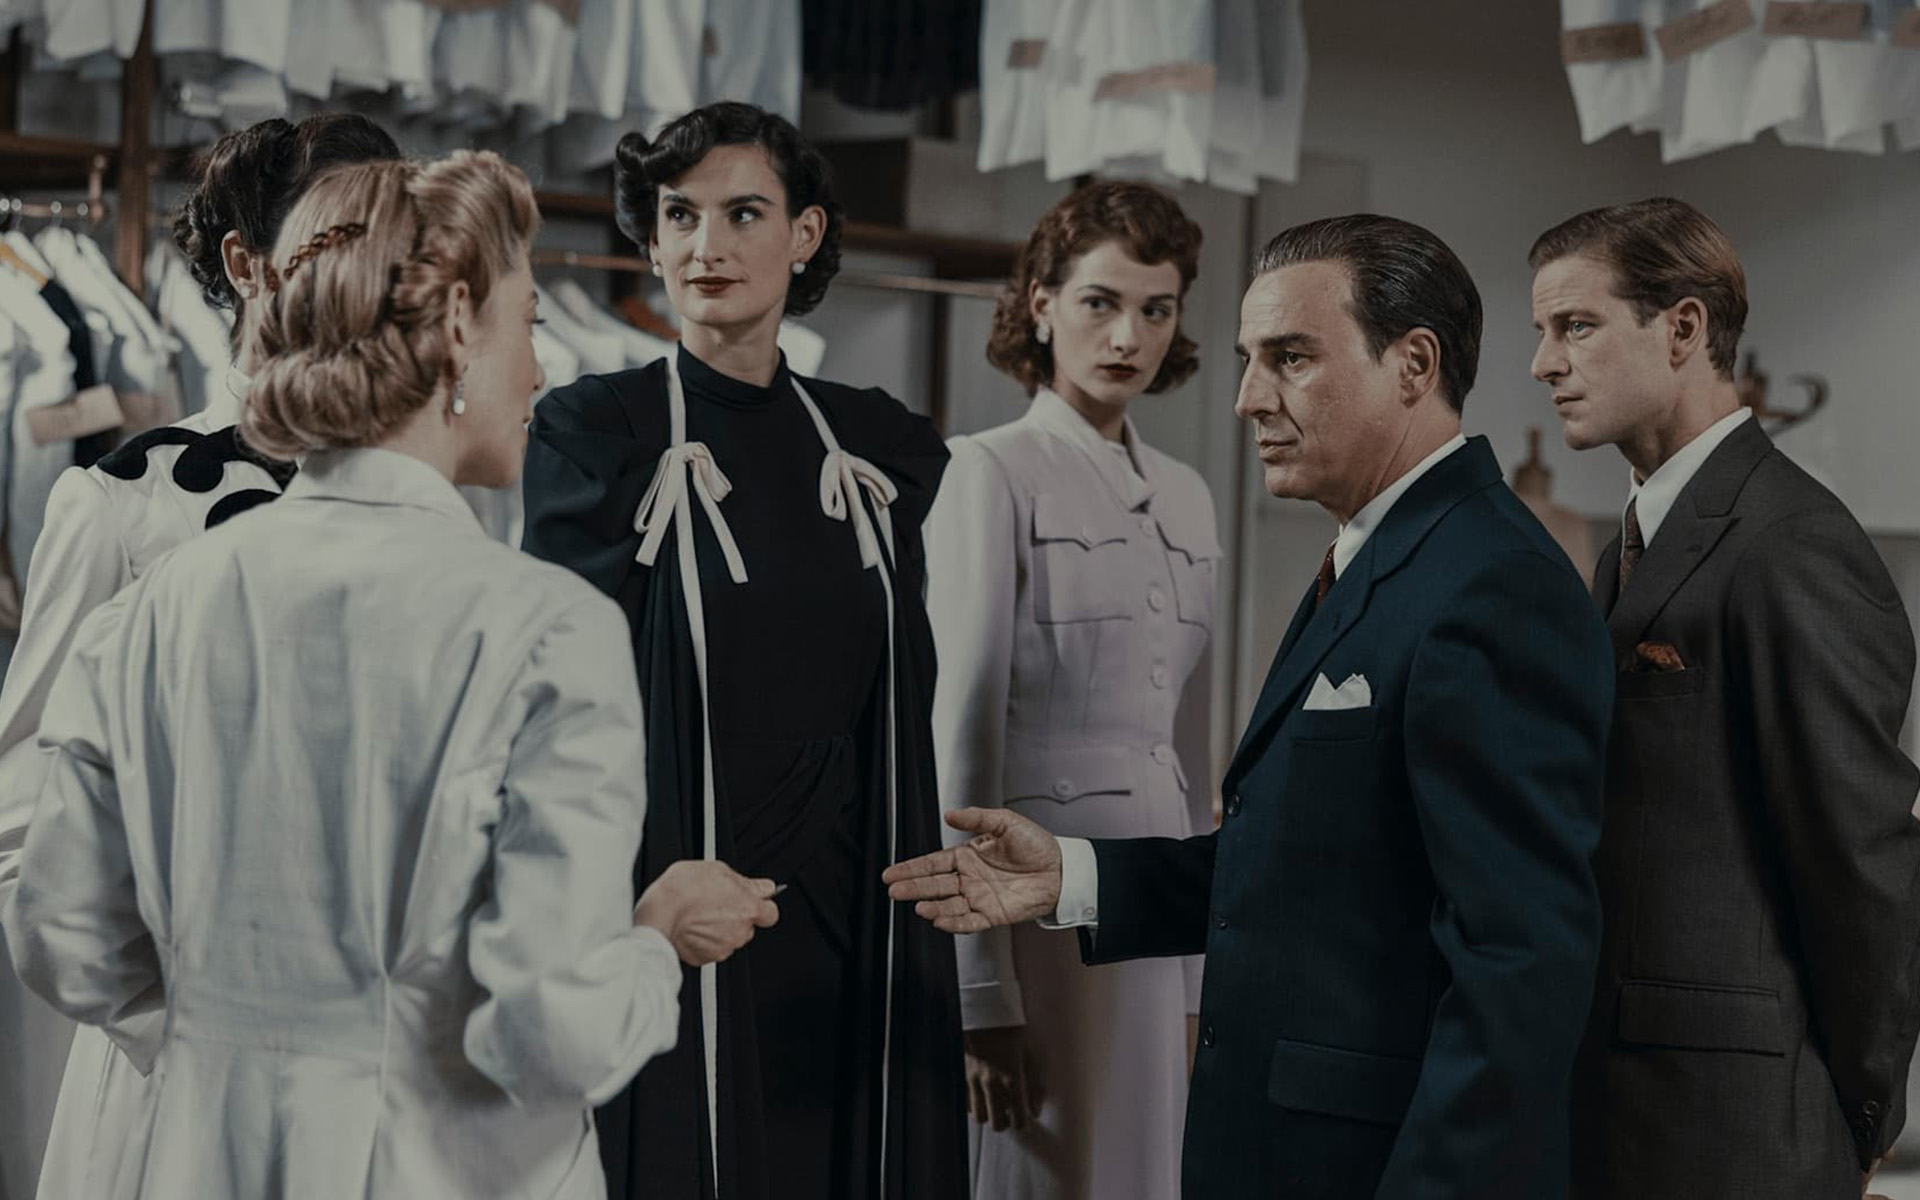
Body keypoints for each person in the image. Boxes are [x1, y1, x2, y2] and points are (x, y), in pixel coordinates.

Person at [3, 150, 776, 1200]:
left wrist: (236, 1032)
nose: (539, 374)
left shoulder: (153, 608)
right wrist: (655, 936)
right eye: (527, 324)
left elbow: (64, 939)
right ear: (458, 326)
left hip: (201, 1158)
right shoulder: (544, 630)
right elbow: (556, 1030)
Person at [888, 214, 1615, 1198]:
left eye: (1290, 359)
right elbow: (1302, 864)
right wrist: (1072, 874)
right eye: (1248, 360)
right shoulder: (1380, 555)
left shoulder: (1493, 584)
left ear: (1413, 364)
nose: (1246, 398)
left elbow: (1519, 967)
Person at [519, 101, 966, 1200]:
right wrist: (637, 905)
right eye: (680, 215)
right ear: (650, 238)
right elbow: (563, 698)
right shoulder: (598, 434)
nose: (705, 245)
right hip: (686, 891)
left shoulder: (879, 445)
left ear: (805, 234)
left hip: (854, 903)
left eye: (743, 213)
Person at [0, 112, 400, 1200]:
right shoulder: (123, 505)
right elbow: (25, 830)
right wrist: (179, 1024)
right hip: (183, 1089)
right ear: (247, 261)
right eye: (339, 239)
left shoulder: (421, 497)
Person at [1529, 197, 1920, 1200]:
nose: (1543, 364)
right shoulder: (1625, 551)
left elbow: (1862, 860)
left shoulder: (1792, 543)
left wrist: (1863, 1113)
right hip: (1619, 1115)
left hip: (1739, 1135)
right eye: (1544, 331)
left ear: (1683, 328)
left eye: (1574, 326)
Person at [923, 180, 1215, 1200]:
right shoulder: (987, 471)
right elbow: (961, 738)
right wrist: (980, 996)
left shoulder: (1189, 495)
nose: (1128, 336)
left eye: (1156, 309)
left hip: (1154, 908)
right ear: (1042, 304)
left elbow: (1190, 753)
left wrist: (1199, 977)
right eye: (1101, 302)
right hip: (1036, 911)